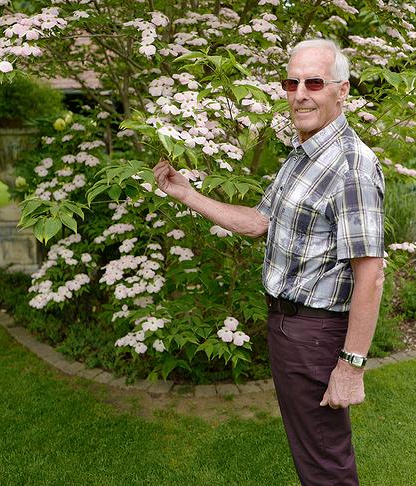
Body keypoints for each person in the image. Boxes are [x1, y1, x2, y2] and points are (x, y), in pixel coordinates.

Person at [154, 39, 386, 486]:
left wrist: (351, 366)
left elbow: (370, 276)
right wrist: (186, 194)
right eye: (292, 82)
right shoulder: (303, 156)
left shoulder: (351, 166)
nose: (300, 93)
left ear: (342, 90)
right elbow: (258, 222)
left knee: (325, 465)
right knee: (313, 455)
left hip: (316, 335)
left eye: (314, 82)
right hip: (289, 328)